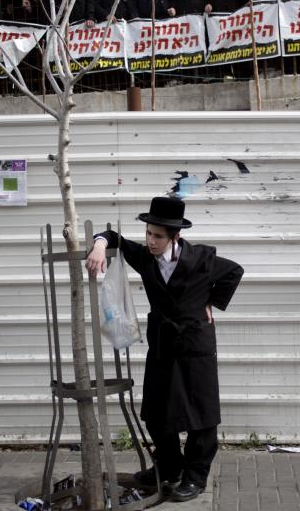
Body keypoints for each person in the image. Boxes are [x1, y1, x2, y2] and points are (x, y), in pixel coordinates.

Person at [85, 197, 243, 503]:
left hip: (195, 343)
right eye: (148, 233)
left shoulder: (200, 259)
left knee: (202, 415)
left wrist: (211, 302)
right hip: (162, 343)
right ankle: (170, 465)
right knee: (156, 413)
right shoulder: (145, 258)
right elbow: (113, 236)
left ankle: (195, 477)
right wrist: (100, 245)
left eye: (157, 236)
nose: (150, 240)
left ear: (175, 236)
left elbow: (234, 271)